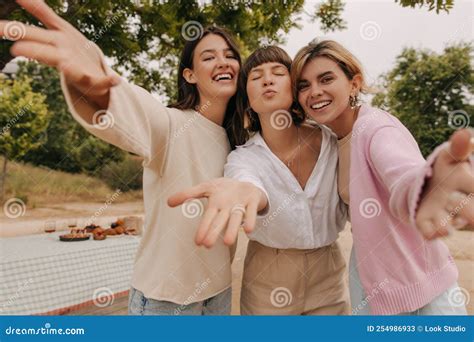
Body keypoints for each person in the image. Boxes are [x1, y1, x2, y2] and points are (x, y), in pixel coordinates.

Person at [1, 0, 249, 315]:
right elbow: (138, 110)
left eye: (230, 56)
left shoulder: (238, 143)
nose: (223, 62)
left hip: (219, 293)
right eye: (209, 57)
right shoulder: (172, 123)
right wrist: (99, 84)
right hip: (166, 302)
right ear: (189, 74)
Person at [292, 39, 473, 315]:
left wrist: (427, 184)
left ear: (354, 83)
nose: (314, 92)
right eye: (303, 85)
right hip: (371, 281)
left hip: (423, 289)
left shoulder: (376, 128)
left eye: (325, 79)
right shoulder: (329, 139)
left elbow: (403, 176)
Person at [172, 45, 350, 315]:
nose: (267, 79)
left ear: (294, 88)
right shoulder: (243, 158)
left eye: (278, 73)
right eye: (256, 77)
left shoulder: (331, 139)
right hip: (268, 277)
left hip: (329, 273)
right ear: (247, 97)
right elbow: (248, 186)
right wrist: (246, 194)